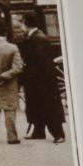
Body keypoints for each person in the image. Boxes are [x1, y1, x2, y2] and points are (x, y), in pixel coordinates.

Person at [18, 10, 66, 143]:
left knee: (46, 106)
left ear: (26, 24)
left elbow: (38, 61)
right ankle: (39, 131)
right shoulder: (38, 37)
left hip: (40, 81)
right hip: (41, 79)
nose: (20, 26)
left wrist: (25, 70)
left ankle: (58, 134)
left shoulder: (35, 39)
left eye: (21, 23)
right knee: (39, 105)